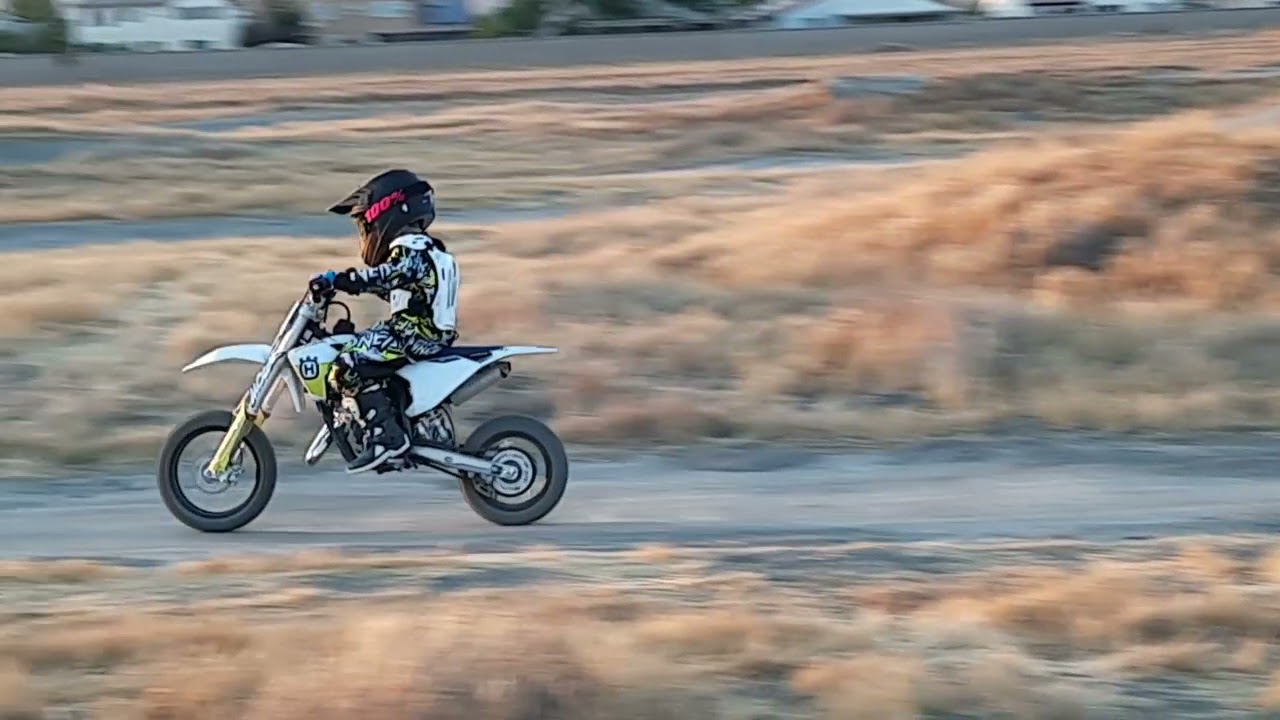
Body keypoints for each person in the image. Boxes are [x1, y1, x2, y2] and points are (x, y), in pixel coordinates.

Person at [309, 169, 460, 474]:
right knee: (362, 349)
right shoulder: (428, 251)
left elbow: (388, 276)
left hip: (415, 333)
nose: (364, 233)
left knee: (347, 365)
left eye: (365, 224)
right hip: (421, 331)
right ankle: (391, 423)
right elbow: (395, 287)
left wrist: (342, 279)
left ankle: (387, 438)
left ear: (387, 212)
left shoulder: (412, 250)